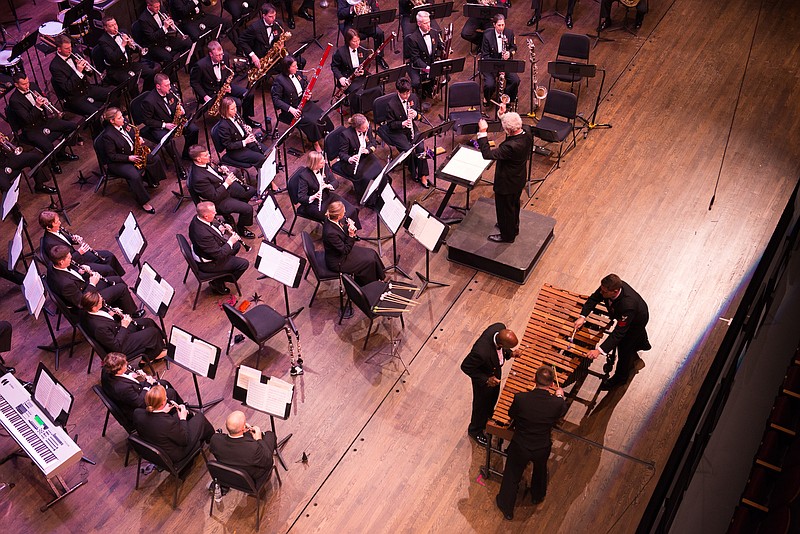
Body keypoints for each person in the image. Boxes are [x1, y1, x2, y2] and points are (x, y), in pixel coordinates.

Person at [495, 366, 567, 519]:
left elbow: (511, 414)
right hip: (541, 447)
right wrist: (560, 397)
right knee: (540, 470)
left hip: (521, 445)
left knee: (512, 474)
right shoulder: (557, 403)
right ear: (552, 384)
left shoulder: (521, 399)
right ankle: (537, 495)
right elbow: (560, 413)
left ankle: (506, 506)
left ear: (534, 380)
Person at [574, 273, 650, 390]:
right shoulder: (607, 287)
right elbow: (594, 298)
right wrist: (582, 316)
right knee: (632, 339)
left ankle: (620, 378)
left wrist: (599, 351)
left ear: (614, 291)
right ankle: (643, 343)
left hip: (636, 321)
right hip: (627, 314)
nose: (601, 293)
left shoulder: (628, 305)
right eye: (601, 289)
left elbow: (618, 333)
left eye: (604, 292)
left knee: (625, 348)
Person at [476, 110, 532, 243]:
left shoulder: (510, 146)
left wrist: (483, 132)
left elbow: (487, 154)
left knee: (504, 209)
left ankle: (507, 236)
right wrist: (503, 115)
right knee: (514, 205)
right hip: (518, 179)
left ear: (508, 130)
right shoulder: (527, 132)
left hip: (506, 183)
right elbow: (512, 128)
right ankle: (513, 227)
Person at [7, 73, 78, 174]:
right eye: (24, 84)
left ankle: (61, 152)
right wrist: (37, 106)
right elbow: (28, 119)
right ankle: (53, 163)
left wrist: (46, 102)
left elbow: (41, 99)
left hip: (44, 121)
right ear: (16, 85)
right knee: (48, 147)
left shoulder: (33, 86)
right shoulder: (14, 100)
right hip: (31, 129)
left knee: (72, 126)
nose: (27, 86)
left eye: (27, 82)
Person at [460, 323, 518, 447]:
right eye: (507, 347)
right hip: (484, 378)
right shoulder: (481, 352)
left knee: (492, 399)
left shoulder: (499, 327)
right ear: (501, 344)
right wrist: (486, 379)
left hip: (494, 370)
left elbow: (501, 351)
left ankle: (488, 416)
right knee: (480, 405)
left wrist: (510, 353)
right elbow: (465, 367)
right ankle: (475, 430)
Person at [100, 107, 167, 214]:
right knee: (134, 176)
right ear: (112, 121)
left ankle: (151, 180)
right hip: (118, 162)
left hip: (132, 152)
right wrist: (129, 158)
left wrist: (138, 138)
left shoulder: (125, 122)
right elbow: (112, 156)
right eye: (120, 118)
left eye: (122, 116)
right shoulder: (108, 136)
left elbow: (132, 133)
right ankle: (143, 202)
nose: (124, 119)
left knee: (154, 158)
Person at [46, 245, 144, 316]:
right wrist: (92, 283)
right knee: (121, 288)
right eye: (68, 257)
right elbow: (82, 302)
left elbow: (69, 274)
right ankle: (131, 315)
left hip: (82, 287)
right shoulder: (65, 284)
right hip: (88, 303)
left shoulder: (53, 264)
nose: (71, 258)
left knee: (116, 279)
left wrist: (79, 271)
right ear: (61, 261)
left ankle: (122, 305)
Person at [187, 145, 257, 238]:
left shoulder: (203, 163)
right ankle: (241, 228)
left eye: (208, 153)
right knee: (248, 209)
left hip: (223, 187)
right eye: (206, 155)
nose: (209, 156)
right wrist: (227, 183)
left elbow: (211, 174)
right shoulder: (198, 178)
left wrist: (219, 170)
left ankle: (236, 208)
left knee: (250, 191)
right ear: (198, 159)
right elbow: (214, 196)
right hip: (218, 201)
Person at [132, 384, 214, 463]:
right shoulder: (166, 423)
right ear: (162, 403)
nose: (167, 397)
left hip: (156, 444)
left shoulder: (137, 413)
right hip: (176, 453)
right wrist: (182, 418)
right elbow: (184, 440)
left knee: (177, 416)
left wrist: (163, 412)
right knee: (200, 418)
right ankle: (213, 440)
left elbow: (156, 419)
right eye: (166, 397)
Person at [190, 41, 260, 129]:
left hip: (224, 87)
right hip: (212, 93)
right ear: (211, 54)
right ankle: (236, 127)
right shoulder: (200, 65)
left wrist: (229, 85)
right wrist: (205, 96)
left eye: (221, 54)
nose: (220, 57)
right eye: (218, 55)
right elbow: (194, 82)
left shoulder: (225, 56)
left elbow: (226, 73)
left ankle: (246, 118)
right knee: (236, 103)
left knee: (248, 94)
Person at [271, 55, 333, 152]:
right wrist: (290, 109)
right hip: (292, 110)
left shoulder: (298, 73)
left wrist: (308, 95)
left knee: (322, 115)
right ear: (287, 68)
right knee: (312, 123)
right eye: (294, 66)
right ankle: (315, 143)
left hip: (304, 103)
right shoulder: (279, 81)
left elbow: (305, 86)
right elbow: (276, 100)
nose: (297, 67)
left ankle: (328, 136)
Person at [376, 77, 430, 188]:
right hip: (396, 130)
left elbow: (419, 114)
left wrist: (416, 114)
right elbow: (390, 124)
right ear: (398, 92)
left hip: (410, 126)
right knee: (408, 149)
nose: (407, 96)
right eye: (404, 94)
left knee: (420, 146)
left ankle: (423, 175)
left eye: (408, 92)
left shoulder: (413, 97)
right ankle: (414, 172)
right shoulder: (391, 104)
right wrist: (402, 124)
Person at [39, 210, 125, 278]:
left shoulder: (56, 229)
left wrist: (74, 240)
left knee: (109, 255)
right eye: (57, 222)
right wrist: (79, 252)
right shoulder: (50, 244)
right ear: (48, 227)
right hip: (74, 264)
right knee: (107, 269)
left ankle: (118, 278)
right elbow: (65, 262)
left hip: (77, 255)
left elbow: (66, 242)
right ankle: (114, 282)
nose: (60, 223)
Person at [189, 201, 250, 295]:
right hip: (209, 263)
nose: (216, 213)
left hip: (207, 251)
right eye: (213, 212)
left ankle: (225, 267)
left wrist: (220, 229)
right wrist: (230, 241)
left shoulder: (197, 218)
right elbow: (219, 254)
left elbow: (210, 228)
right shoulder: (202, 234)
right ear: (206, 216)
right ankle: (218, 281)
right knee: (243, 264)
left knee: (236, 245)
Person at [101, 352, 182, 422]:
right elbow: (139, 402)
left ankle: (181, 406)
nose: (127, 363)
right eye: (125, 364)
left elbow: (122, 378)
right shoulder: (122, 388)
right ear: (118, 370)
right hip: (136, 409)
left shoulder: (107, 370)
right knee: (170, 393)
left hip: (134, 392)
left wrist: (132, 375)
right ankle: (178, 416)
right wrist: (148, 384)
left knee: (164, 382)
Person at [139, 73, 199, 166]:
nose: (170, 87)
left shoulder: (171, 91)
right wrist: (164, 125)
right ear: (158, 86)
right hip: (159, 126)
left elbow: (176, 103)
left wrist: (181, 109)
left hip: (174, 121)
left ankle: (188, 155)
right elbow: (147, 121)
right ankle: (180, 167)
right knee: (168, 141)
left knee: (193, 129)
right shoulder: (149, 101)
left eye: (169, 84)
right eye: (166, 85)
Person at [288, 150, 360, 225]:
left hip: (327, 196)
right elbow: (301, 197)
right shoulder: (304, 176)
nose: (324, 162)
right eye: (321, 162)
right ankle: (342, 234)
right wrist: (313, 197)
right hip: (314, 205)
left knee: (351, 210)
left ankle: (353, 232)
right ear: (314, 164)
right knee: (338, 221)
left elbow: (335, 182)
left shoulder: (324, 167)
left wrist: (328, 185)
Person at [210, 410, 277, 490]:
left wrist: (245, 431)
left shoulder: (215, 440)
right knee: (270, 435)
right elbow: (268, 462)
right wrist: (259, 439)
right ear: (244, 428)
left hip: (227, 477)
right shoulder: (253, 449)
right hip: (250, 480)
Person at [323, 200, 385, 285]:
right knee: (369, 261)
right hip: (338, 261)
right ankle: (370, 285)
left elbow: (340, 232)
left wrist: (347, 227)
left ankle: (380, 277)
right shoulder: (330, 233)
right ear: (338, 216)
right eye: (343, 213)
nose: (345, 213)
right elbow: (345, 250)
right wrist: (351, 234)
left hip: (341, 251)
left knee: (372, 253)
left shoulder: (331, 219)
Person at [49, 35, 112, 117]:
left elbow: (90, 74)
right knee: (96, 113)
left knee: (112, 94)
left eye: (70, 47)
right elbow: (68, 88)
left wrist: (87, 69)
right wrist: (78, 71)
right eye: (67, 48)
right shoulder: (55, 66)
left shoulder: (75, 52)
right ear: (59, 49)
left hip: (87, 88)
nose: (70, 50)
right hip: (75, 97)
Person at [97, 16, 159, 95]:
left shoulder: (123, 32)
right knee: (132, 81)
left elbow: (136, 51)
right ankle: (136, 101)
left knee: (150, 73)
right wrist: (122, 45)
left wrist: (131, 45)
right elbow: (113, 58)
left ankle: (145, 93)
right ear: (105, 28)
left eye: (115, 24)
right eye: (111, 26)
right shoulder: (103, 41)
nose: (115, 27)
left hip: (129, 64)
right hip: (116, 69)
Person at [239, 3, 306, 72]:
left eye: (275, 15)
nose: (274, 19)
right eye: (270, 16)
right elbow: (241, 40)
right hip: (262, 58)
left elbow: (280, 39)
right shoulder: (255, 28)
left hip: (276, 54)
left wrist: (282, 45)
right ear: (264, 16)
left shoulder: (278, 24)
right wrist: (252, 55)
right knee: (286, 69)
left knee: (301, 61)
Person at [330, 29, 382, 114]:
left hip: (361, 75)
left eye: (358, 40)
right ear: (348, 41)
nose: (357, 43)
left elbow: (366, 64)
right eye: (354, 41)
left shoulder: (362, 49)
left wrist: (363, 71)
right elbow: (334, 66)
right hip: (347, 79)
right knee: (357, 93)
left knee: (377, 87)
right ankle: (359, 113)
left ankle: (374, 109)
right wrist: (340, 78)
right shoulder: (341, 52)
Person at [332, 113, 382, 200]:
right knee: (365, 177)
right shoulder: (346, 135)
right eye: (364, 128)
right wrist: (350, 159)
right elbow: (342, 154)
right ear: (357, 128)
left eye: (367, 126)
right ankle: (366, 197)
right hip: (352, 161)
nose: (367, 128)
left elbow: (373, 142)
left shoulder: (367, 127)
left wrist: (368, 150)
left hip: (365, 155)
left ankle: (379, 189)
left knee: (378, 166)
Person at [212, 97, 268, 169]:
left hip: (245, 141)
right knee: (260, 158)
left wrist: (247, 128)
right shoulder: (223, 126)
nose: (235, 110)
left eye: (235, 107)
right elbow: (228, 145)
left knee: (267, 151)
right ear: (225, 110)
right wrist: (245, 142)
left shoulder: (236, 115)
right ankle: (263, 178)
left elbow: (242, 125)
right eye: (232, 109)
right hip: (236, 151)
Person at [337, 0, 389, 70]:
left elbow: (376, 10)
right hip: (352, 24)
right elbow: (340, 14)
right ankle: (350, 62)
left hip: (368, 25)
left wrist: (369, 13)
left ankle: (379, 57)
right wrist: (352, 9)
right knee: (350, 36)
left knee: (379, 33)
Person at [136, 0, 192, 65]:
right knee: (168, 57)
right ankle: (168, 73)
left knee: (188, 42)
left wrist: (172, 24)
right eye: (156, 7)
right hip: (154, 45)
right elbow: (152, 37)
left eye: (159, 6)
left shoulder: (161, 8)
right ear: (149, 6)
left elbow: (168, 21)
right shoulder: (143, 19)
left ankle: (184, 64)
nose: (158, 9)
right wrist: (164, 27)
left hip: (165, 39)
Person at [480, 14, 519, 106]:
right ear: (494, 25)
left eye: (503, 25)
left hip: (505, 62)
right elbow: (485, 55)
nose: (501, 28)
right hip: (491, 62)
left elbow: (514, 47)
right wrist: (497, 67)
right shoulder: (487, 36)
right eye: (499, 25)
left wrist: (509, 53)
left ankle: (506, 97)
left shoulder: (509, 33)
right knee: (489, 84)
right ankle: (487, 97)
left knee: (515, 80)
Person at [403, 11, 442, 99]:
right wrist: (426, 68)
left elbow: (439, 46)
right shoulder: (413, 39)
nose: (428, 25)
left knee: (446, 77)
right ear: (419, 23)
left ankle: (429, 89)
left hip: (430, 62)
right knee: (416, 82)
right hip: (417, 65)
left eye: (429, 22)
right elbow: (415, 59)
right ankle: (421, 93)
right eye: (425, 23)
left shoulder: (434, 33)